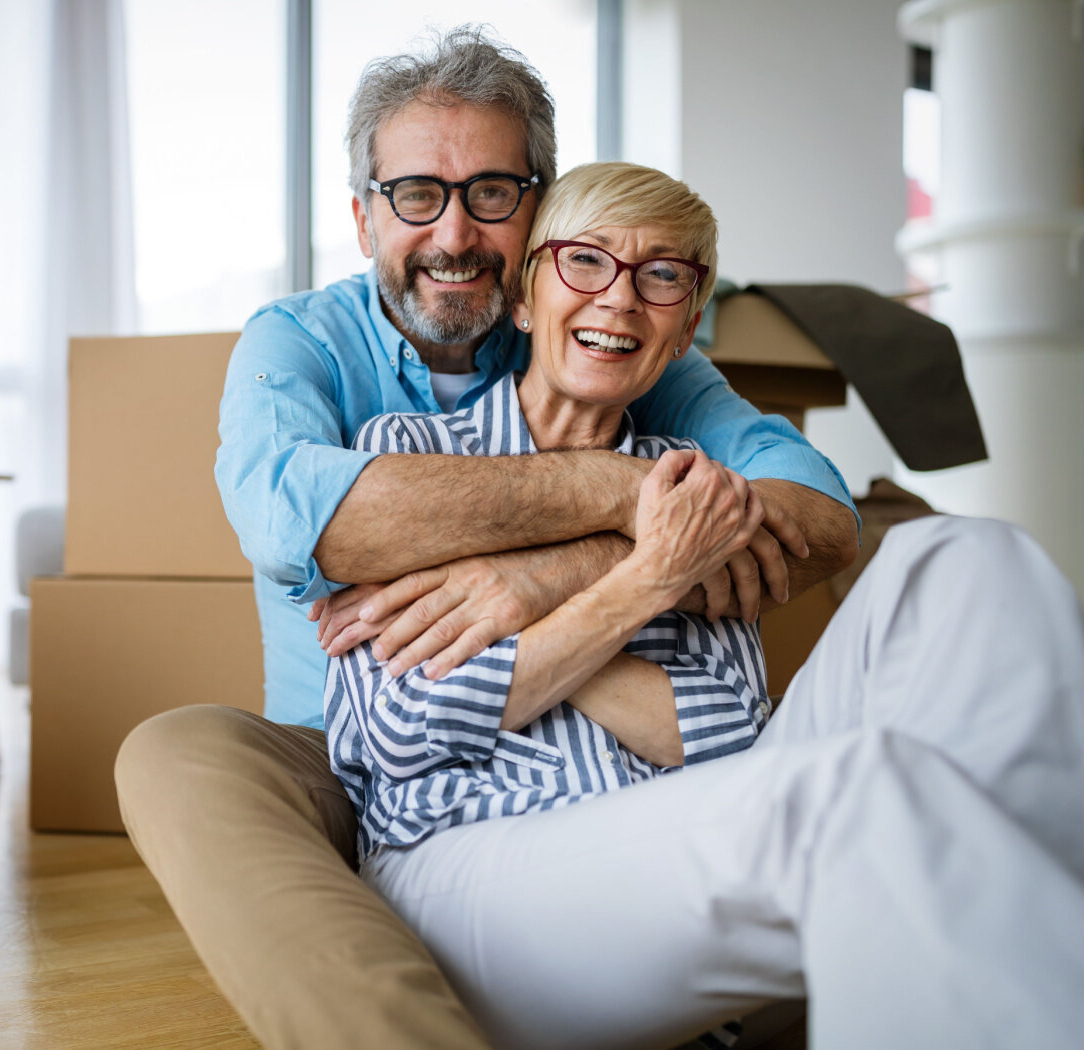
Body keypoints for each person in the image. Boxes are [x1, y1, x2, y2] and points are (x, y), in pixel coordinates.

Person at [119, 27, 849, 1048]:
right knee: (174, 754)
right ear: (364, 213)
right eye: (416, 193)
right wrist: (619, 497)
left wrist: (559, 572)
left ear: (534, 212)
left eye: (493, 193)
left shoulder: (601, 322)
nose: (453, 231)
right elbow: (302, 523)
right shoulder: (300, 342)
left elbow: (811, 515)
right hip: (345, 750)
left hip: (614, 768)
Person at [337, 161, 1084, 1050]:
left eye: (661, 276)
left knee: (967, 555)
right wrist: (646, 580)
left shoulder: (703, 489)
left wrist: (526, 607)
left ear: (687, 324)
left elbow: (728, 732)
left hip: (676, 848)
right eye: (586, 261)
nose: (619, 301)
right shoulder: (409, 456)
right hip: (467, 871)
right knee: (856, 786)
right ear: (527, 295)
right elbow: (400, 725)